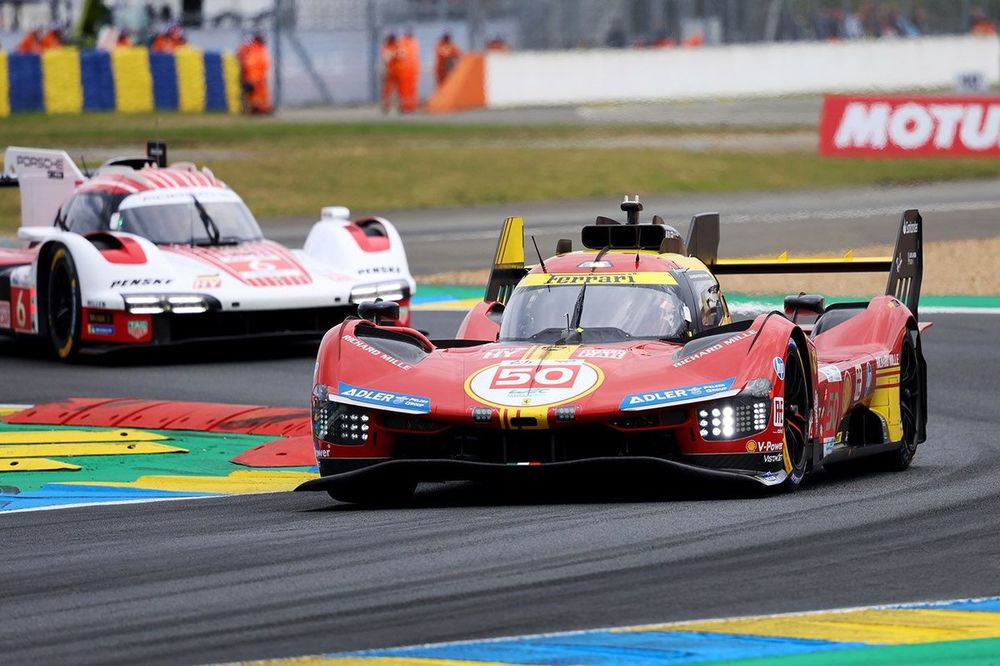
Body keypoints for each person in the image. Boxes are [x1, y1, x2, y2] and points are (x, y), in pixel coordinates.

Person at [238, 33, 272, 114]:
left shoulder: (254, 48)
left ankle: (258, 108)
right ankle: (257, 108)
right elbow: (252, 63)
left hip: (255, 76)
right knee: (255, 94)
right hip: (255, 77)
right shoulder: (256, 49)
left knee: (255, 95)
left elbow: (244, 59)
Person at [380, 33, 405, 114]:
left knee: (400, 90)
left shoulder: (397, 46)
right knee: (387, 90)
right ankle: (386, 107)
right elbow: (386, 58)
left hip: (397, 71)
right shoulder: (386, 46)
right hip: (390, 72)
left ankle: (400, 107)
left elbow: (402, 55)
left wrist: (394, 55)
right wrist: (395, 55)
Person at [398, 29, 420, 113]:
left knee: (405, 90)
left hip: (404, 69)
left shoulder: (401, 42)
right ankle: (410, 106)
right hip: (411, 69)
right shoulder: (414, 43)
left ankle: (406, 106)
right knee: (410, 90)